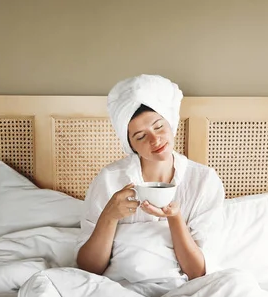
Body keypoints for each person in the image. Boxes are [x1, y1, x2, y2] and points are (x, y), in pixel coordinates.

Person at [75, 74, 224, 285]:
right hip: (118, 289)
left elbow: (197, 272)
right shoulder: (109, 180)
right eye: (141, 136)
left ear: (171, 123)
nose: (155, 140)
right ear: (130, 145)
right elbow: (88, 268)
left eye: (158, 126)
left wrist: (174, 218)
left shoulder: (204, 181)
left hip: (183, 291)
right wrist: (109, 216)